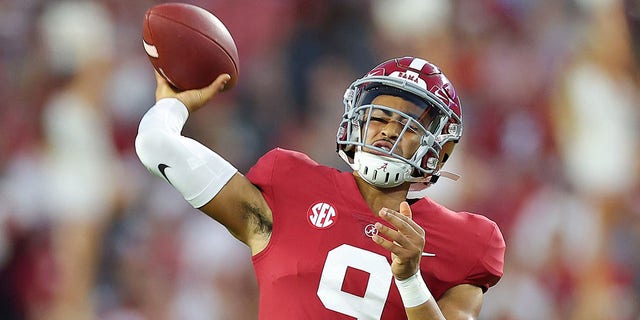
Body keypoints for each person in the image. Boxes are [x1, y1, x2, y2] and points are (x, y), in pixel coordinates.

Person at [135, 56, 505, 319]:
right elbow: (156, 147)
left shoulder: (466, 242)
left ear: (437, 151)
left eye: (408, 125)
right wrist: (173, 106)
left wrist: (409, 279)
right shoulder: (291, 187)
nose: (389, 130)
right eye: (380, 116)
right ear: (356, 121)